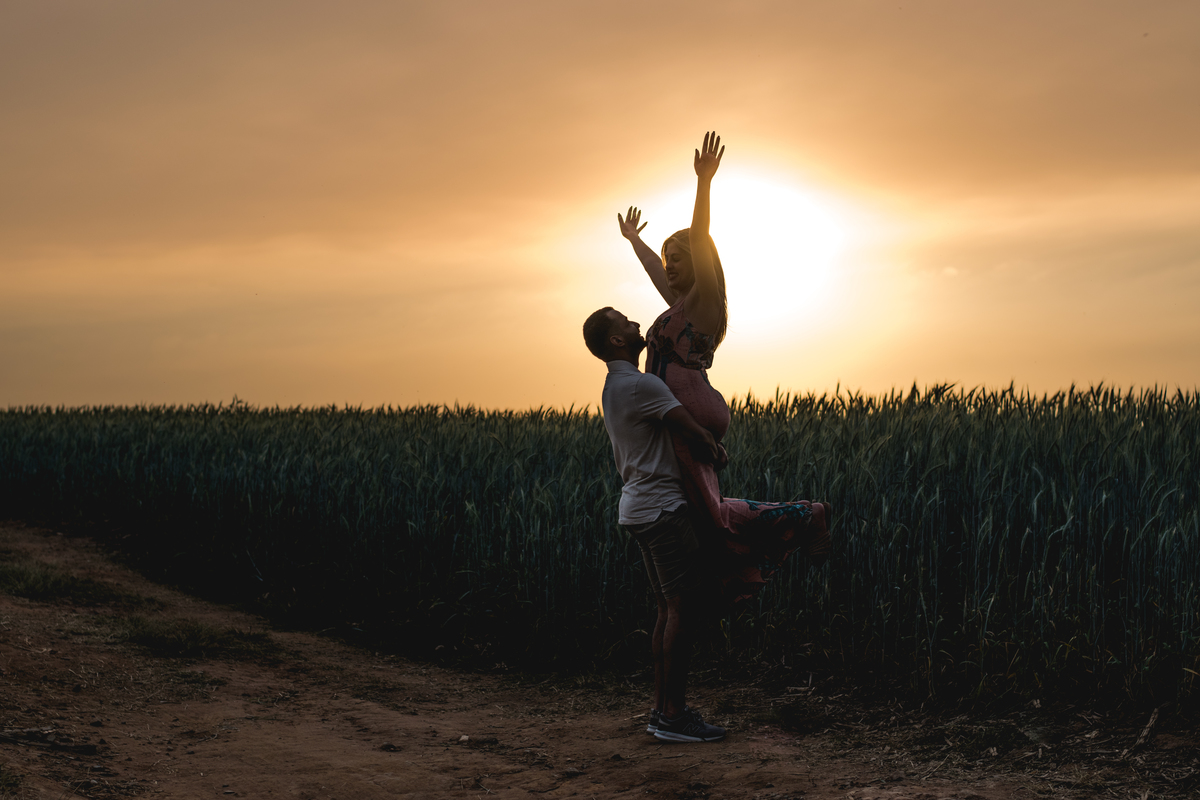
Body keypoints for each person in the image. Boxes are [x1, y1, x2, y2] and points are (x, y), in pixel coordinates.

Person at [616, 132, 831, 604]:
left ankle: (807, 516)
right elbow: (654, 270)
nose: (670, 267)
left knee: (708, 513)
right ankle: (731, 569)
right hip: (681, 406)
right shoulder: (680, 304)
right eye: (669, 261)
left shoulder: (705, 303)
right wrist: (636, 241)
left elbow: (699, 236)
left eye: (678, 260)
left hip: (691, 403)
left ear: (700, 262)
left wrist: (704, 182)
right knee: (699, 509)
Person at [582, 305, 727, 743]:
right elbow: (695, 431)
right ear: (616, 340)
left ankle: (662, 712)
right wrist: (715, 450)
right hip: (663, 510)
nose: (635, 323)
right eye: (624, 322)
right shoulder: (643, 385)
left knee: (668, 609)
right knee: (682, 609)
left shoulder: (615, 386)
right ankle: (674, 716)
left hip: (639, 509)